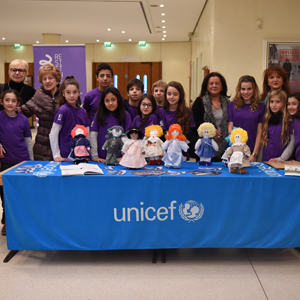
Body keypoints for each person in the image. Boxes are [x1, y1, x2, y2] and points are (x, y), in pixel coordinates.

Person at [0, 89, 33, 235]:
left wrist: (31, 162)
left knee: (22, 194)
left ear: (18, 103)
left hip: (22, 162)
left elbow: (28, 142)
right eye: (7, 100)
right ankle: (7, 222)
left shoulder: (23, 120)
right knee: (6, 195)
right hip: (5, 163)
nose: (10, 103)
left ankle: (22, 221)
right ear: (1, 102)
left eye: (13, 100)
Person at [20, 63, 61, 160]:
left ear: (57, 80)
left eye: (50, 78)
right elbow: (20, 114)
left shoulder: (65, 95)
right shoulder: (37, 97)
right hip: (43, 146)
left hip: (63, 142)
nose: (47, 81)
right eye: (44, 79)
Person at [49, 76, 90, 162]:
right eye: (68, 92)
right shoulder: (62, 111)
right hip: (66, 156)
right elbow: (53, 134)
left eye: (74, 92)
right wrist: (56, 154)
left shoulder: (83, 111)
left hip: (82, 156)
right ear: (63, 93)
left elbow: (87, 133)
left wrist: (88, 152)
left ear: (78, 93)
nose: (72, 95)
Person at [192, 72, 230, 161]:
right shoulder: (199, 101)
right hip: (205, 146)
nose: (214, 86)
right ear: (206, 86)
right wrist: (211, 130)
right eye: (211, 83)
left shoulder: (227, 102)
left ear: (222, 86)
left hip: (224, 144)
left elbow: (230, 121)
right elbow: (194, 123)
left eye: (217, 83)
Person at [228, 75, 265, 162]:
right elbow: (230, 129)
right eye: (243, 89)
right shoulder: (232, 105)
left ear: (254, 89)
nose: (246, 92)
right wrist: (236, 149)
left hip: (251, 150)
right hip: (234, 150)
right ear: (239, 89)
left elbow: (260, 132)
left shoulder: (261, 107)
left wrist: (254, 154)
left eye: (249, 89)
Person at [90, 87, 132, 163]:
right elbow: (93, 135)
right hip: (101, 159)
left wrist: (125, 156)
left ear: (118, 100)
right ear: (103, 102)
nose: (110, 103)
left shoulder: (126, 115)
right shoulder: (98, 114)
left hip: (119, 160)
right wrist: (95, 156)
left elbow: (128, 138)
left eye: (113, 100)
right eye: (107, 101)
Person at [158, 81, 197, 159]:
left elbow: (191, 133)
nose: (171, 97)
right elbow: (161, 133)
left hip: (182, 151)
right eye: (169, 94)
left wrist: (185, 152)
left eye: (175, 94)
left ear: (180, 96)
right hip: (166, 150)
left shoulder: (187, 111)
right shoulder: (161, 111)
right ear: (165, 95)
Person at [261, 90, 294, 162]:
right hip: (267, 159)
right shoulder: (267, 119)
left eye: (277, 102)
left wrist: (281, 158)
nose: (274, 105)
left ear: (284, 103)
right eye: (271, 102)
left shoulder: (289, 120)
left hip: (283, 161)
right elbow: (263, 143)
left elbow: (292, 142)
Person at [287, 93, 300, 161]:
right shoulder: (295, 120)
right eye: (288, 104)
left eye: (294, 104)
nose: (290, 107)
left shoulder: (297, 122)